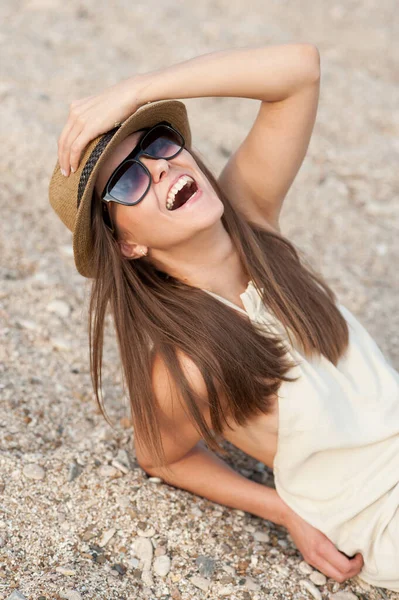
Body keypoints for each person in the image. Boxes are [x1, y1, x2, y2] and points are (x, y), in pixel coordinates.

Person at [48, 45, 399, 591]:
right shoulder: (187, 361)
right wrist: (285, 512)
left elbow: (300, 70)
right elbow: (161, 456)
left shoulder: (253, 222)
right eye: (128, 181)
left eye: (157, 143)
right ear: (126, 245)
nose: (161, 166)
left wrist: (140, 88)